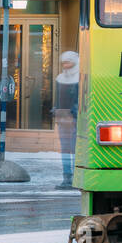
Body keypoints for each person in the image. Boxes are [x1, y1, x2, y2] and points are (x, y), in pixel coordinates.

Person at [54, 51, 79, 189]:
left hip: (76, 119)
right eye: (64, 63)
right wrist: (55, 108)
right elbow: (58, 98)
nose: (66, 65)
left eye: (68, 62)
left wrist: (75, 110)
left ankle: (75, 176)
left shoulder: (81, 78)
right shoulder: (60, 78)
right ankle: (66, 176)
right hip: (63, 120)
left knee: (75, 148)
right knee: (65, 149)